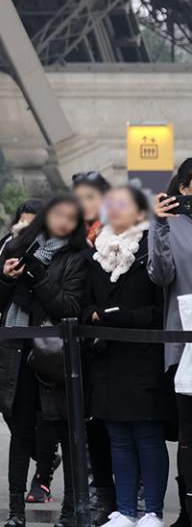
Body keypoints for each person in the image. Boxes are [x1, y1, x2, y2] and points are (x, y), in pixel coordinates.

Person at [0, 193, 89, 527]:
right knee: (21, 433)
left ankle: (71, 511)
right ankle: (15, 511)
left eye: (70, 219)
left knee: (64, 431)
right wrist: (6, 277)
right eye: (58, 215)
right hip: (17, 352)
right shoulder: (16, 247)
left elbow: (69, 308)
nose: (62, 222)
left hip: (54, 358)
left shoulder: (78, 257)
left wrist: (39, 276)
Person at [83, 185, 169, 527]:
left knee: (147, 435)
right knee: (117, 434)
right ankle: (124, 510)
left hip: (144, 355)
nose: (114, 212)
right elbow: (85, 300)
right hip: (106, 356)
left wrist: (125, 317)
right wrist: (94, 315)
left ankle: (152, 511)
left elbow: (161, 307)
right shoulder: (95, 251)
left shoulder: (150, 249)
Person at [74, 170, 117, 516]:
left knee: (119, 420)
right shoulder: (71, 236)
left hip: (116, 340)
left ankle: (131, 493)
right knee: (90, 423)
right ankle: (100, 493)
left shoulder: (120, 233)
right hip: (82, 340)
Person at [151, 158, 192, 527]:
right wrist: (159, 225)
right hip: (184, 345)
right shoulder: (171, 225)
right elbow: (161, 274)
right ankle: (187, 510)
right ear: (183, 188)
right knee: (187, 435)